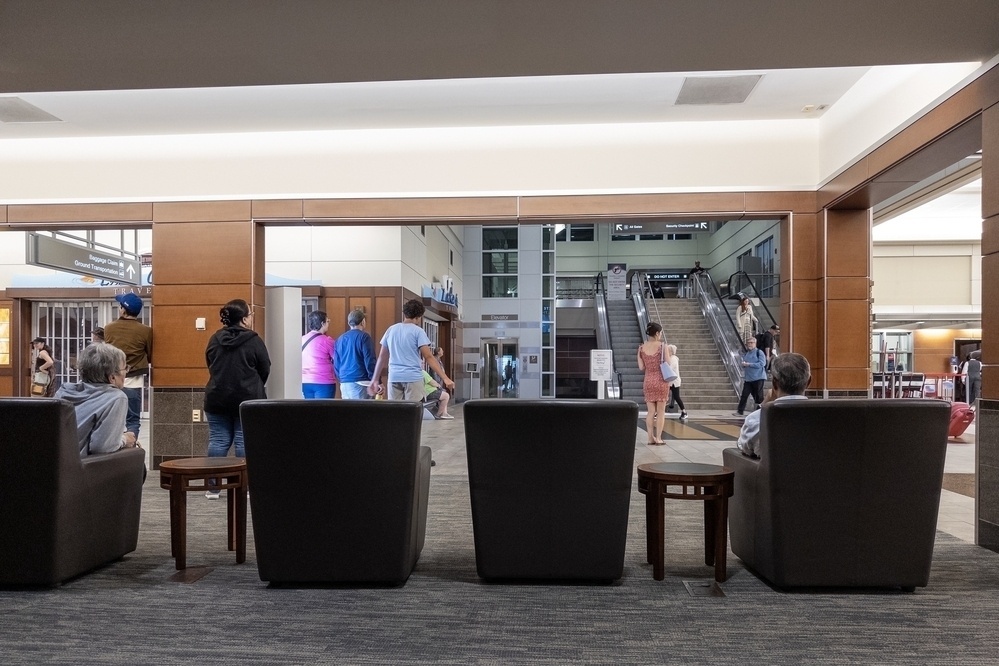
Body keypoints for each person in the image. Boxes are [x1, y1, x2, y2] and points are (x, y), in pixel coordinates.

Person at [203, 299, 271, 499]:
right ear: (244, 319)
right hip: (247, 400)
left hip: (217, 397)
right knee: (243, 442)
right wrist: (253, 384)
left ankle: (213, 488)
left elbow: (209, 362)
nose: (251, 317)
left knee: (218, 440)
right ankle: (245, 486)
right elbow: (265, 367)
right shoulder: (254, 340)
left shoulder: (215, 339)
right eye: (250, 314)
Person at [54, 343, 139, 455]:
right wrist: (125, 439)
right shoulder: (116, 397)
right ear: (112, 377)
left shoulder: (64, 391)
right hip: (80, 467)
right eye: (125, 368)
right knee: (136, 456)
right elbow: (102, 448)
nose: (126, 373)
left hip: (52, 463)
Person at [368, 299, 454, 400]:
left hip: (394, 377)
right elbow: (428, 357)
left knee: (395, 412)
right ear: (419, 317)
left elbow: (382, 357)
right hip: (412, 378)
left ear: (405, 313)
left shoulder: (391, 330)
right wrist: (445, 378)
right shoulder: (418, 331)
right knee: (412, 412)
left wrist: (374, 379)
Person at [736, 352, 811, 458]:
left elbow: (745, 447)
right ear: (808, 382)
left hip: (772, 474)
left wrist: (763, 406)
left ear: (774, 383)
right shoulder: (825, 419)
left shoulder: (757, 419)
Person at [102, 293, 152, 443]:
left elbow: (107, 353)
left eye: (120, 306)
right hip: (134, 380)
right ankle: (131, 447)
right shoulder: (146, 331)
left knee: (111, 418)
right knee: (133, 420)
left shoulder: (109, 328)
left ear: (123, 310)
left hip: (111, 379)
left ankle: (112, 446)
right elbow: (150, 354)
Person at [636, 322, 671, 445]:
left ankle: (650, 438)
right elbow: (668, 363)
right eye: (660, 333)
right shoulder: (662, 346)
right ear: (657, 333)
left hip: (648, 381)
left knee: (650, 412)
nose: (661, 335)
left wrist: (639, 355)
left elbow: (641, 367)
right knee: (661, 411)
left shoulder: (641, 348)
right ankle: (659, 438)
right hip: (661, 380)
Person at [334, 309, 377, 400]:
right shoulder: (364, 337)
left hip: (345, 382)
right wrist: (375, 379)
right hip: (360, 381)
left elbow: (336, 363)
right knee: (361, 412)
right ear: (363, 322)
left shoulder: (340, 339)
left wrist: (342, 378)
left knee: (348, 413)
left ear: (349, 323)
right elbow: (369, 360)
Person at [301, 310, 336, 399]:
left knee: (310, 411)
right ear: (322, 323)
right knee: (324, 411)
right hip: (324, 381)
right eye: (327, 321)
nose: (328, 323)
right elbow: (337, 359)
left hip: (305, 381)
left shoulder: (302, 339)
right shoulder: (327, 340)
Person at [735, 335, 767, 417]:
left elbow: (762, 364)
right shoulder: (747, 354)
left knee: (758, 396)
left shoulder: (759, 352)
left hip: (758, 377)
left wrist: (749, 364)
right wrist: (743, 365)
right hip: (748, 379)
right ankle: (740, 411)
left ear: (755, 343)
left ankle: (760, 411)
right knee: (744, 394)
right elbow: (744, 364)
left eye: (751, 343)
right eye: (748, 343)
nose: (749, 344)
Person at [666, 344, 688, 421]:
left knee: (676, 397)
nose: (666, 352)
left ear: (671, 351)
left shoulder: (673, 359)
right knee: (664, 395)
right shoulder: (670, 358)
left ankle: (684, 412)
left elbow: (669, 368)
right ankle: (658, 411)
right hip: (670, 381)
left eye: (668, 350)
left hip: (674, 381)